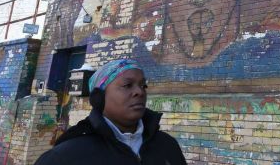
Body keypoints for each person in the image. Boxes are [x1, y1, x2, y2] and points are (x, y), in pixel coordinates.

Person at [34, 59, 186, 165]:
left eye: (143, 85)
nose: (139, 92)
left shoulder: (167, 145)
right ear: (99, 98)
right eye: (127, 85)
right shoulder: (65, 156)